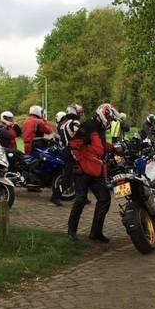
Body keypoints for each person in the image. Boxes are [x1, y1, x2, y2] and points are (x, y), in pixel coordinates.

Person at [67, 103, 120, 242]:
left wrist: (115, 148)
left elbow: (99, 146)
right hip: (83, 170)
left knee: (105, 199)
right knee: (80, 200)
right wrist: (77, 163)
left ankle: (96, 232)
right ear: (102, 114)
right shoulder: (88, 126)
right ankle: (71, 231)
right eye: (109, 118)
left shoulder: (100, 128)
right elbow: (73, 145)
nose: (110, 122)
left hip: (96, 170)